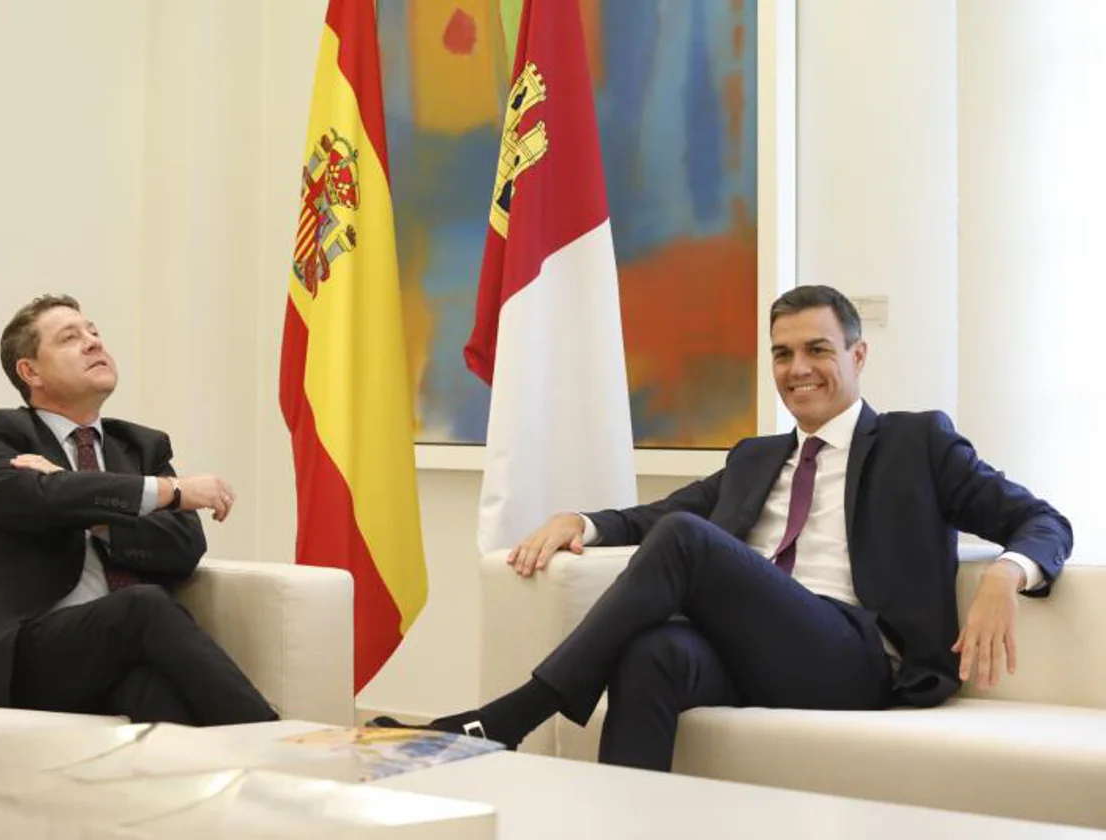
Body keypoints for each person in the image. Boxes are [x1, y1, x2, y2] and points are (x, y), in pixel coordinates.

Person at [374, 285, 1072, 770]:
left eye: (819, 350)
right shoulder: (756, 458)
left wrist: (1007, 574)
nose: (798, 369)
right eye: (782, 353)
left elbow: (1042, 520)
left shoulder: (917, 444)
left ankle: (513, 715)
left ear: (858, 357)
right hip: (755, 650)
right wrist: (580, 521)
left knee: (686, 541)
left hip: (855, 658)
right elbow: (656, 515)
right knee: (654, 652)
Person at [0, 294, 278, 725]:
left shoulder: (141, 446)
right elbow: (38, 498)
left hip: (114, 655)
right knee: (142, 604)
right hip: (26, 655)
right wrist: (168, 492)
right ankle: (276, 735)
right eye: (70, 337)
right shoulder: (0, 435)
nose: (92, 342)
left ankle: (257, 782)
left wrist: (88, 503)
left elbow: (184, 544)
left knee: (156, 695)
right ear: (30, 371)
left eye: (94, 331)